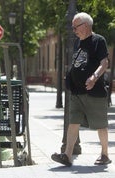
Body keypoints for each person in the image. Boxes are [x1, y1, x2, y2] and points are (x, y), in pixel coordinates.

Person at [51, 12, 112, 166]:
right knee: (73, 122)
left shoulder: (98, 41)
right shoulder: (78, 42)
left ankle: (105, 154)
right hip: (77, 92)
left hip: (94, 91)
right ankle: (67, 156)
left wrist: (94, 77)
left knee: (100, 124)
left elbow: (104, 62)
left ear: (85, 25)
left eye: (75, 26)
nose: (73, 30)